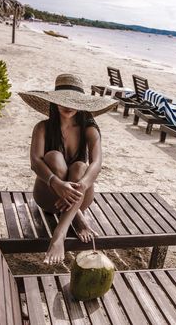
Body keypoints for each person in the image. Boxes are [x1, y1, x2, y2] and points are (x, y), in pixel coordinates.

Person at [19, 74, 117, 264]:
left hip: (80, 196)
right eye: (63, 100)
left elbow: (97, 164)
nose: (68, 105)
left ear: (82, 104)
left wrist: (80, 186)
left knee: (81, 166)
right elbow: (35, 162)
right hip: (48, 196)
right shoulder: (42, 128)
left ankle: (59, 235)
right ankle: (77, 218)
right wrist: (57, 184)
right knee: (53, 157)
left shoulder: (90, 129)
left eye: (74, 101)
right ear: (54, 102)